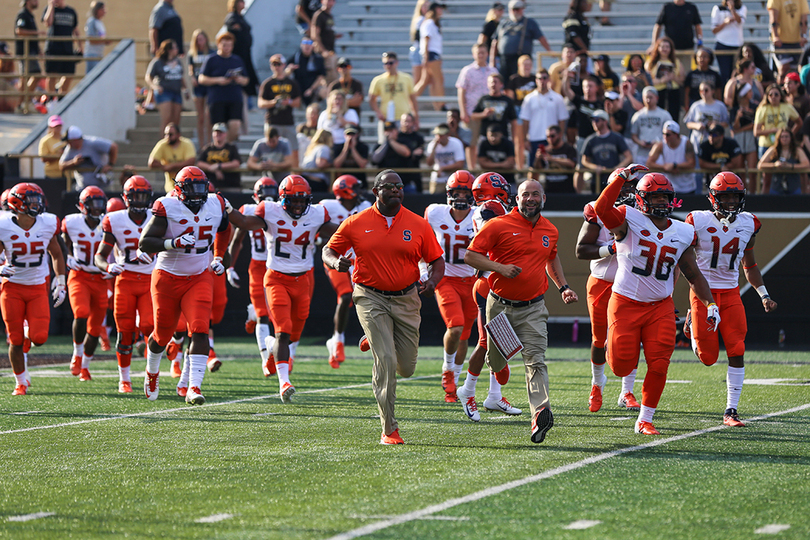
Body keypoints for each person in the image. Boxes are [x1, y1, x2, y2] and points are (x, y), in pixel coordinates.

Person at [593, 166, 720, 434]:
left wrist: (710, 304)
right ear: (641, 199)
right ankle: (612, 353)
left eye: (665, 197)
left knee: (660, 363)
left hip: (660, 307)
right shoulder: (628, 219)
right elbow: (602, 210)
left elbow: (693, 274)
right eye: (655, 197)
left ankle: (645, 419)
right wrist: (620, 178)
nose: (661, 202)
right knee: (620, 365)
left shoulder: (683, 231)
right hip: (625, 303)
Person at [322, 170, 445, 445]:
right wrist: (334, 262)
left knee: (407, 367)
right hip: (370, 296)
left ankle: (376, 336)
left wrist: (433, 282)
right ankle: (389, 429)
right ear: (376, 190)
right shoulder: (356, 222)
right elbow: (328, 250)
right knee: (386, 361)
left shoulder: (418, 224)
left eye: (399, 186)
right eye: (389, 186)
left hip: (406, 298)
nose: (396, 190)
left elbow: (437, 260)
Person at [465, 179, 578, 443]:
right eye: (525, 194)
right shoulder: (497, 225)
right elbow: (470, 256)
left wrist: (563, 287)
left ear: (544, 198)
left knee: (535, 360)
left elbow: (551, 256)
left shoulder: (550, 229)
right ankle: (493, 379)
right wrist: (499, 268)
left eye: (535, 194)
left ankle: (540, 414)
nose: (530, 198)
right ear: (516, 199)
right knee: (497, 362)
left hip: (534, 308)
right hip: (500, 306)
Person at [227, 175, 337, 402]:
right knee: (283, 330)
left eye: (301, 200)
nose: (297, 205)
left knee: (294, 332)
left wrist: (361, 225)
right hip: (276, 278)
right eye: (292, 200)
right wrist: (227, 208)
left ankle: (269, 344)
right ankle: (284, 382)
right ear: (282, 198)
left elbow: (338, 231)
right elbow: (245, 224)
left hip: (303, 279)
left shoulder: (317, 213)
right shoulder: (270, 211)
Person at [684, 172, 777, 426]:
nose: (731, 202)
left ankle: (731, 410)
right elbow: (685, 263)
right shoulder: (697, 220)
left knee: (737, 348)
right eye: (725, 197)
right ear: (714, 198)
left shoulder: (749, 223)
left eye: (735, 196)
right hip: (704, 295)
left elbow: (750, 265)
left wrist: (763, 294)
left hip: (731, 292)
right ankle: (693, 323)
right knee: (708, 357)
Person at [138, 166, 230, 405]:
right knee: (162, 335)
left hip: (199, 276)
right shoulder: (167, 206)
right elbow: (145, 243)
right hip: (167, 277)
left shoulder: (216, 203)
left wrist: (219, 257)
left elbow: (224, 230)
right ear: (179, 189)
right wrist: (172, 242)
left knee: (200, 328)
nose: (198, 194)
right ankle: (152, 372)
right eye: (192, 188)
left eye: (201, 187)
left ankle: (194, 387)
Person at [575, 166, 646, 413]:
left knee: (631, 338)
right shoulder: (596, 209)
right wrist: (612, 249)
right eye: (622, 186)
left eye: (630, 187)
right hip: (603, 281)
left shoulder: (645, 211)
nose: (626, 192)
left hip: (631, 284)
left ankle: (627, 391)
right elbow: (581, 250)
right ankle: (597, 383)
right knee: (599, 338)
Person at [455, 173, 521, 421]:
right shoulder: (490, 209)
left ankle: (494, 396)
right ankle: (467, 390)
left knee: (502, 343)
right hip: (488, 283)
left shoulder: (497, 207)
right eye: (501, 186)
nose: (507, 189)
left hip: (499, 282)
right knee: (487, 342)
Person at [0, 183, 66, 395]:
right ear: (17, 203)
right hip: (12, 288)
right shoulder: (4, 225)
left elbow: (56, 253)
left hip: (37, 286)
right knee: (15, 339)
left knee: (39, 338)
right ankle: (20, 381)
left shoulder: (47, 223)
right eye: (31, 200)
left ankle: (29, 332)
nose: (36, 204)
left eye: (38, 199)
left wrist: (61, 280)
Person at [94, 176, 157, 393]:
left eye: (143, 196)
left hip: (151, 279)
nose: (139, 201)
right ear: (126, 198)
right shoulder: (115, 220)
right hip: (126, 279)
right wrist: (108, 267)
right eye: (135, 196)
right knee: (125, 331)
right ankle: (125, 379)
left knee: (149, 325)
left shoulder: (157, 216)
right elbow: (100, 256)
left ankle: (151, 374)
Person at [421, 171, 479, 403]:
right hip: (445, 278)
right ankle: (447, 369)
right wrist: (424, 272)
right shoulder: (435, 213)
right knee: (455, 327)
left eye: (466, 192)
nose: (461, 197)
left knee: (464, 335)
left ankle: (453, 382)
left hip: (473, 281)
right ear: (449, 194)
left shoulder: (480, 215)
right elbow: (421, 242)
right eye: (457, 192)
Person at [226, 177, 278, 376]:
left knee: (275, 314)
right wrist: (230, 267)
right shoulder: (248, 210)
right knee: (263, 314)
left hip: (278, 267)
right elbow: (237, 240)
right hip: (258, 266)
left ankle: (253, 313)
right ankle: (266, 360)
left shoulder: (282, 210)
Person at [319, 175, 371, 368]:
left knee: (364, 297)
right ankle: (338, 339)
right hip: (336, 258)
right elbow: (316, 226)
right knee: (346, 296)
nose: (359, 192)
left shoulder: (365, 205)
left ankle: (365, 334)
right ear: (345, 190)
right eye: (355, 188)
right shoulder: (327, 206)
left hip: (358, 258)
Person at [62, 186, 108, 381]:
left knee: (95, 329)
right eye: (93, 204)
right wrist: (68, 256)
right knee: (80, 313)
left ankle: (86, 366)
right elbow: (61, 242)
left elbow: (119, 246)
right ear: (83, 206)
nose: (97, 208)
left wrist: (111, 266)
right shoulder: (71, 222)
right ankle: (77, 354)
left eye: (100, 204)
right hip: (79, 275)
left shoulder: (108, 223)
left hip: (100, 278)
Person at [199, 32, 249, 144]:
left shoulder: (237, 60)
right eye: (224, 45)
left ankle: (226, 146)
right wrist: (218, 80)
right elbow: (201, 78)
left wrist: (240, 79)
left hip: (235, 98)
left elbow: (246, 80)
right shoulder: (211, 59)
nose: (227, 48)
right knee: (218, 128)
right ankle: (219, 147)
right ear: (218, 45)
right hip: (217, 99)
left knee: (235, 125)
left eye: (230, 45)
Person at [456, 43, 499, 166]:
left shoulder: (493, 70)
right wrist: (463, 111)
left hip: (489, 113)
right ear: (473, 54)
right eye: (478, 53)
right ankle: (472, 168)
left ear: (487, 54)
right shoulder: (467, 71)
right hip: (472, 112)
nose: (481, 55)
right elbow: (461, 91)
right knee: (472, 142)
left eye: (483, 52)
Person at [259, 53, 302, 167]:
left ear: (284, 65)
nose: (277, 67)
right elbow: (260, 103)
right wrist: (274, 102)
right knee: (271, 150)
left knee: (294, 150)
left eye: (279, 64)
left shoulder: (291, 83)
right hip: (273, 121)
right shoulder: (268, 83)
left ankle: (295, 177)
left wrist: (289, 102)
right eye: (274, 64)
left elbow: (298, 102)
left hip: (287, 120)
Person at [492, 0, 551, 82]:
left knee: (519, 81)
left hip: (521, 58)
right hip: (505, 59)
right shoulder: (504, 23)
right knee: (505, 82)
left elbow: (541, 38)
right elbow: (495, 41)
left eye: (517, 9)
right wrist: (492, 60)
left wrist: (549, 51)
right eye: (513, 9)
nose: (515, 12)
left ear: (522, 9)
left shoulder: (529, 23)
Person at [368, 51, 419, 143]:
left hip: (403, 117)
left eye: (390, 63)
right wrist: (378, 112)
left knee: (402, 142)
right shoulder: (378, 80)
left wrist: (416, 117)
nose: (388, 66)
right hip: (386, 117)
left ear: (396, 63)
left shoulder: (406, 78)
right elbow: (372, 99)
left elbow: (413, 99)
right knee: (384, 142)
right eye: (385, 63)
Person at [472, 73, 521, 167]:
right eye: (491, 82)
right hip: (486, 136)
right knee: (484, 161)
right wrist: (483, 114)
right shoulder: (484, 99)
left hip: (502, 135)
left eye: (495, 82)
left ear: (501, 84)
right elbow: (473, 116)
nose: (493, 84)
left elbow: (513, 120)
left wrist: (514, 137)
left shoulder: (507, 100)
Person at [520, 68, 569, 160]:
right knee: (534, 168)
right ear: (536, 80)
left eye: (544, 78)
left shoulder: (557, 98)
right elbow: (525, 121)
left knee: (552, 167)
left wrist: (560, 137)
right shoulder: (529, 99)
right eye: (539, 78)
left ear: (549, 79)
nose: (542, 81)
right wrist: (525, 139)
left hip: (553, 139)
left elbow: (562, 120)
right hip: (535, 138)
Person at [580, 109, 633, 192]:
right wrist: (595, 167)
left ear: (605, 121)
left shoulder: (616, 137)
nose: (594, 123)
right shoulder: (591, 140)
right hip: (597, 180)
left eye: (597, 120)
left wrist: (618, 168)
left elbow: (629, 157)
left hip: (613, 179)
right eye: (593, 120)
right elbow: (584, 161)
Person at [370, 117, 425, 192]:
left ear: (396, 131)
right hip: (386, 184)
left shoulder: (403, 141)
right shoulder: (380, 145)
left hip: (403, 183)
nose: (389, 133)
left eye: (391, 130)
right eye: (387, 130)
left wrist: (391, 141)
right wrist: (386, 143)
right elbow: (375, 159)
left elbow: (406, 153)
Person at [146, 39, 186, 136]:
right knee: (167, 119)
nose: (177, 49)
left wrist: (186, 89)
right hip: (164, 92)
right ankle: (164, 142)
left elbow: (181, 77)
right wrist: (155, 87)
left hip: (176, 92)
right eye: (175, 47)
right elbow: (148, 77)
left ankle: (175, 142)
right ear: (169, 50)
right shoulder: (158, 62)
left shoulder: (178, 62)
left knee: (176, 120)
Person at [651, 0, 703, 72]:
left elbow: (697, 27)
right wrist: (654, 44)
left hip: (687, 48)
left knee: (685, 72)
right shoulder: (667, 7)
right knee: (669, 72)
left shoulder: (691, 7)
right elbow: (658, 26)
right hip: (669, 49)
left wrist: (700, 43)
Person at [647, 120, 698, 193]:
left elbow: (692, 164)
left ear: (676, 135)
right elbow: (649, 163)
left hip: (687, 186)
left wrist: (674, 165)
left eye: (668, 134)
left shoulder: (686, 143)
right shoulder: (660, 145)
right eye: (663, 134)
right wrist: (665, 167)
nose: (665, 136)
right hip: (670, 187)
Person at [42, 0, 80, 97]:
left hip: (67, 48)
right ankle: (50, 99)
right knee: (52, 75)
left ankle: (61, 96)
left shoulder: (71, 11)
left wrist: (80, 46)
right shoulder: (50, 9)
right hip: (53, 48)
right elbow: (48, 23)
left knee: (69, 74)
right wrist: (51, 6)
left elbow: (75, 30)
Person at [754, 83, 800, 161]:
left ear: (781, 96)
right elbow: (756, 132)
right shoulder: (762, 109)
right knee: (766, 170)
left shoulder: (787, 107)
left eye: (776, 94)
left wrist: (789, 135)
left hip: (782, 146)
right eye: (770, 94)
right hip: (766, 145)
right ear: (767, 96)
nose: (773, 97)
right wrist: (773, 130)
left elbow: (799, 122)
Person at [224, 0, 259, 99]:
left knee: (249, 76)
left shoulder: (241, 17)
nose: (243, 4)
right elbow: (230, 24)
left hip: (246, 52)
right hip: (239, 53)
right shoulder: (233, 17)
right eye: (241, 2)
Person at [148, 122, 197, 193]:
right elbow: (151, 163)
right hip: (170, 189)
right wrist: (164, 166)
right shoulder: (162, 144)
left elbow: (191, 161)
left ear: (178, 135)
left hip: (187, 187)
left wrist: (172, 166)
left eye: (170, 134)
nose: (167, 137)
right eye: (166, 134)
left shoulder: (187, 143)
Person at [414, 2, 446, 111]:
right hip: (431, 54)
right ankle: (441, 104)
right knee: (438, 79)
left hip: (432, 54)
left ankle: (410, 100)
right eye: (439, 9)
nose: (441, 11)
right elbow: (426, 41)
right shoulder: (429, 23)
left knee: (425, 81)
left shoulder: (432, 23)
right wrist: (426, 58)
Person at [758, 127, 809, 193]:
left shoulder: (797, 150)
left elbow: (807, 164)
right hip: (776, 186)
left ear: (791, 138)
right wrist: (775, 165)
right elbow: (760, 165)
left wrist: (790, 166)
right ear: (778, 138)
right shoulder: (773, 150)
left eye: (786, 136)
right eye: (782, 137)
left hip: (794, 186)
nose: (784, 139)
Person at [646, 37, 685, 121]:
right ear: (658, 48)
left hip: (673, 91)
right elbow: (647, 80)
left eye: (667, 47)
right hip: (657, 92)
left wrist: (673, 77)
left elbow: (682, 81)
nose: (665, 49)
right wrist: (661, 80)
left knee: (673, 115)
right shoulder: (651, 63)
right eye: (662, 46)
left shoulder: (676, 62)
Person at [768, 0, 809, 79]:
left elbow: (804, 19)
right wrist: (776, 36)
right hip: (781, 42)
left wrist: (803, 35)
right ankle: (781, 88)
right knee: (783, 69)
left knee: (797, 71)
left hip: (796, 41)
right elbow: (773, 18)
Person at [530, 125, 577, 192]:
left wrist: (552, 159)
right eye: (548, 137)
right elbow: (537, 168)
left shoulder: (569, 148)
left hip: (566, 188)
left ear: (560, 135)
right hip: (550, 188)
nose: (550, 139)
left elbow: (572, 164)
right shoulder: (546, 150)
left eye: (552, 136)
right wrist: (538, 158)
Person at [729, 82, 758, 191]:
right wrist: (738, 117)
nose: (751, 93)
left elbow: (754, 125)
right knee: (740, 172)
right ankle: (742, 192)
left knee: (752, 171)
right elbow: (734, 126)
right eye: (749, 91)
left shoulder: (755, 107)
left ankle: (753, 193)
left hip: (751, 139)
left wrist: (740, 129)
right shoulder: (734, 109)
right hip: (738, 141)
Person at [196, 122, 241, 191]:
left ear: (225, 134)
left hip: (230, 184)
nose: (218, 134)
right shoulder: (208, 148)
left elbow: (236, 163)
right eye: (216, 132)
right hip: (211, 185)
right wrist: (212, 168)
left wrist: (219, 166)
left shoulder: (231, 148)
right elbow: (199, 163)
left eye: (221, 133)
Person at [711, 0, 747, 84]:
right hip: (722, 44)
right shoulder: (717, 9)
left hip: (737, 45)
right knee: (725, 74)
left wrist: (732, 9)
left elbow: (740, 21)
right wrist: (725, 23)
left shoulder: (742, 8)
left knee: (737, 73)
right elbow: (714, 29)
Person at [698, 122, 743, 187]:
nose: (711, 137)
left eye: (714, 135)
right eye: (710, 134)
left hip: (731, 181)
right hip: (713, 182)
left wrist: (724, 168)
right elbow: (702, 164)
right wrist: (720, 166)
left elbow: (737, 163)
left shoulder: (731, 144)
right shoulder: (705, 146)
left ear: (722, 136)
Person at [188, 29, 212, 148]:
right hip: (198, 87)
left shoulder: (211, 52)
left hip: (208, 86)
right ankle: (202, 144)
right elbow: (190, 69)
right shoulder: (193, 54)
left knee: (209, 116)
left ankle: (209, 143)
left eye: (201, 39)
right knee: (200, 117)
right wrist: (192, 77)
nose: (200, 42)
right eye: (197, 40)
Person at [426, 123, 466, 194]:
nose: (439, 137)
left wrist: (443, 168)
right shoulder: (432, 145)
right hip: (437, 180)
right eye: (437, 135)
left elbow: (460, 164)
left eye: (441, 135)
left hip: (454, 179)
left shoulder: (456, 143)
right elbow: (429, 163)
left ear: (448, 134)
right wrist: (434, 149)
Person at [15, 0, 43, 98]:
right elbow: (19, 31)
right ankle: (25, 100)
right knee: (35, 74)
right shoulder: (23, 14)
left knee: (24, 78)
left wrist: (38, 50)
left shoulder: (30, 16)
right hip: (25, 51)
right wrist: (38, 33)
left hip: (31, 51)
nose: (37, 2)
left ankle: (21, 102)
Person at [287, 37, 327, 107]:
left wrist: (311, 89)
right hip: (298, 88)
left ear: (313, 46)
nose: (307, 45)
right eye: (305, 43)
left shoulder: (317, 58)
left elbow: (321, 76)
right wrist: (289, 70)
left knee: (324, 91)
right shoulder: (296, 58)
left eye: (309, 43)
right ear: (301, 45)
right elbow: (285, 74)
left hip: (313, 88)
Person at [311, 0, 342, 84]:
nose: (330, 3)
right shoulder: (319, 15)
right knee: (328, 79)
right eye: (328, 1)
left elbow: (326, 32)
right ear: (322, 1)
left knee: (334, 77)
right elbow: (315, 35)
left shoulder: (329, 16)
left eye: (332, 1)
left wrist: (334, 36)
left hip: (331, 50)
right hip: (324, 52)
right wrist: (323, 50)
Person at [84, 0, 110, 73]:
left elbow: (101, 37)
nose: (105, 11)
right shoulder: (92, 21)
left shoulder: (100, 23)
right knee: (92, 78)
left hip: (99, 54)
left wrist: (106, 41)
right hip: (92, 55)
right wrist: (104, 40)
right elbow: (91, 40)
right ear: (97, 10)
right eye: (103, 9)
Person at [39, 114, 66, 180]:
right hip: (52, 174)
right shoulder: (45, 140)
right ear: (50, 127)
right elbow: (43, 158)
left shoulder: (66, 138)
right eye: (55, 126)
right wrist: (58, 154)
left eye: (59, 125)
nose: (58, 128)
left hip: (67, 174)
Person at [410, 0, 429, 84]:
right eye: (424, 6)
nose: (427, 8)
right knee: (418, 79)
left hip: (420, 50)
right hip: (418, 50)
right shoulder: (421, 20)